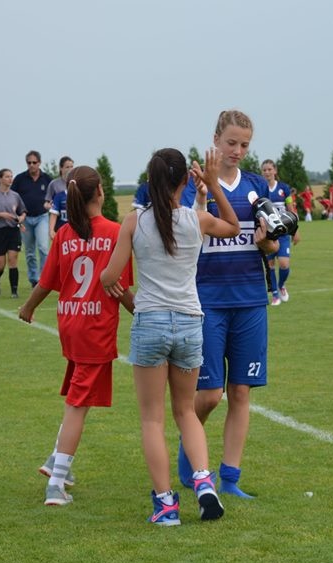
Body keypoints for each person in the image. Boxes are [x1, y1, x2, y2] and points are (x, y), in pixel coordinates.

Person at [101, 148, 241, 525]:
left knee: (152, 420)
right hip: (190, 323)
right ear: (184, 182)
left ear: (150, 180)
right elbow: (233, 226)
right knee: (186, 412)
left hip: (150, 323)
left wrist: (118, 290)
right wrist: (213, 185)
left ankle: (166, 505)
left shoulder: (135, 221)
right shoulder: (197, 219)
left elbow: (110, 276)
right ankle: (204, 482)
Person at [175, 109, 278, 499]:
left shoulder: (256, 186)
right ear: (215, 139)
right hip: (207, 302)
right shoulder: (194, 183)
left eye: (244, 145)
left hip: (250, 300)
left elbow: (271, 246)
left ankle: (230, 479)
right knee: (208, 395)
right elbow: (187, 235)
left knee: (241, 391)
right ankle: (189, 444)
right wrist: (203, 195)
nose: (237, 150)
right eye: (231, 142)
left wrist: (268, 241)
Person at [19, 165, 134, 507]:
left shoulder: (64, 234)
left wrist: (28, 307)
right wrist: (146, 315)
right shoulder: (115, 232)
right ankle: (56, 484)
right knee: (78, 405)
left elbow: (46, 281)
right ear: (99, 192)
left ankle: (57, 462)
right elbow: (120, 289)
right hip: (95, 328)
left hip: (70, 324)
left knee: (77, 395)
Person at [0, 168, 27, 298]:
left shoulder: (15, 195)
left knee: (13, 260)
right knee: (0, 265)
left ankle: (14, 291)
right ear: (0, 179)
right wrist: (2, 214)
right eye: (7, 176)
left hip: (13, 231)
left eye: (11, 176)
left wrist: (21, 218)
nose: (10, 179)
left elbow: (23, 211)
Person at [11, 150, 53, 288]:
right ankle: (34, 279)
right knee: (30, 252)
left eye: (34, 162)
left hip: (42, 217)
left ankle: (44, 278)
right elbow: (13, 197)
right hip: (25, 218)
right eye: (29, 162)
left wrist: (51, 205)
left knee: (43, 248)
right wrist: (16, 213)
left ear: (39, 163)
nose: (32, 165)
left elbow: (54, 196)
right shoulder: (19, 179)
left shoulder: (47, 179)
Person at [261, 159, 301, 305]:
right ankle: (275, 295)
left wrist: (295, 230)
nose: (267, 172)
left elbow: (291, 210)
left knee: (284, 264)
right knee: (270, 264)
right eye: (264, 170)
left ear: (275, 171)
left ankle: (281, 285)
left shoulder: (284, 188)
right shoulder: (260, 188)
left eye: (269, 169)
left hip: (283, 233)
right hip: (268, 234)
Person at [46, 156, 74, 241]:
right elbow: (47, 202)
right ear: (61, 168)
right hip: (60, 220)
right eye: (67, 167)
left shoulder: (77, 183)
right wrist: (50, 207)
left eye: (71, 167)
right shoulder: (54, 184)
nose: (70, 169)